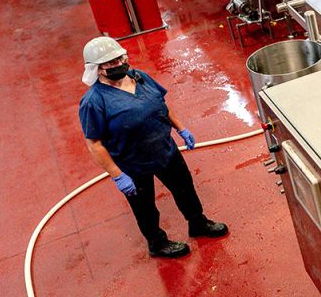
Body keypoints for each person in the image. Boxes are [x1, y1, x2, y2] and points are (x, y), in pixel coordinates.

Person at [78, 36, 228, 258]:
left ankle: (198, 223)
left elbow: (162, 106)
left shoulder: (140, 78)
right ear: (97, 69)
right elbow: (95, 143)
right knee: (145, 207)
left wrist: (181, 129)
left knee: (185, 189)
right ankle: (157, 243)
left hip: (165, 150)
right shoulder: (94, 101)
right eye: (110, 63)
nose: (118, 64)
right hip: (132, 164)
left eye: (120, 58)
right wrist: (118, 175)